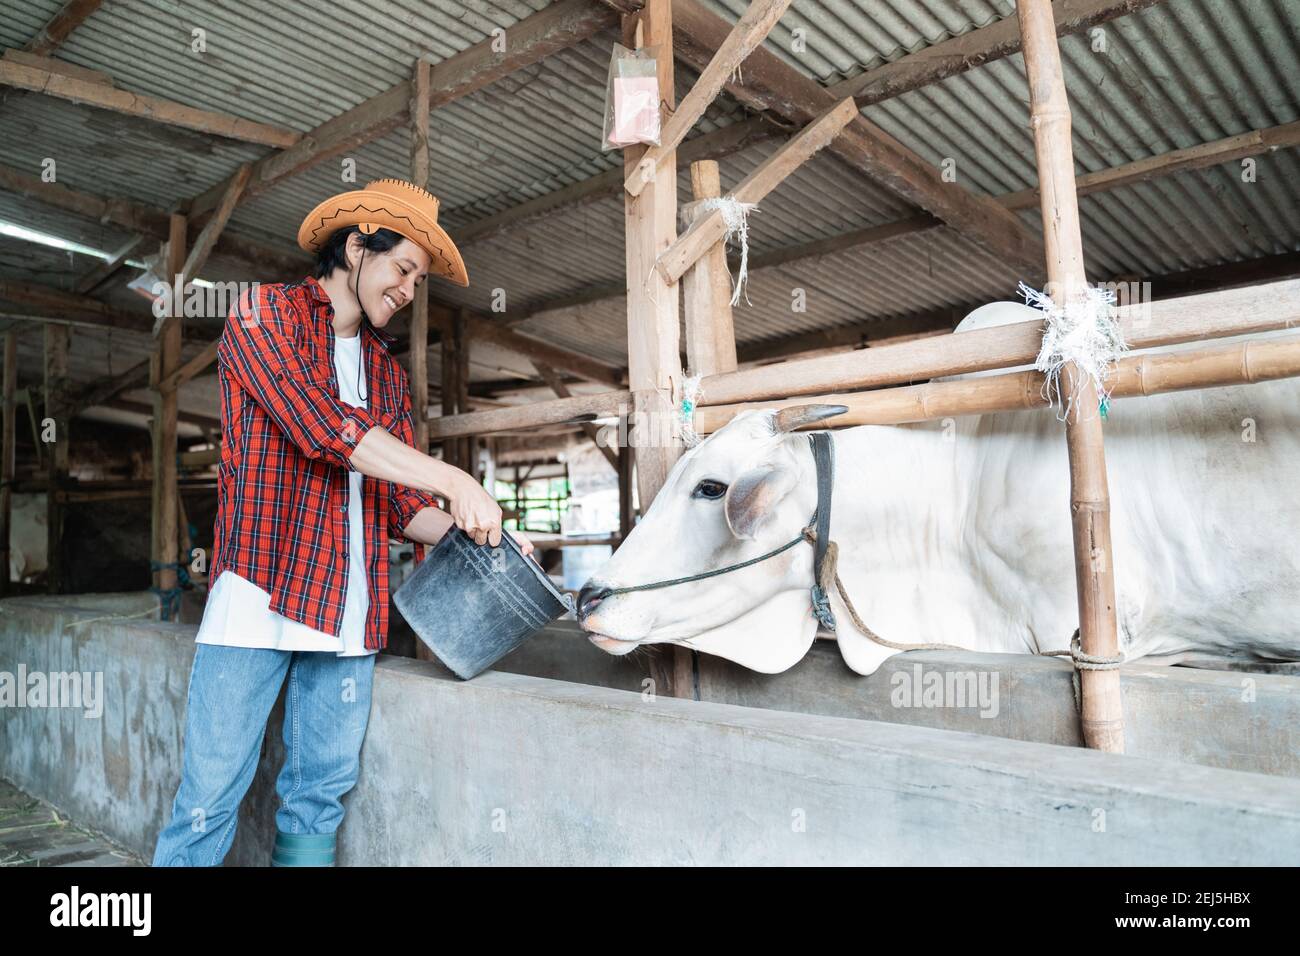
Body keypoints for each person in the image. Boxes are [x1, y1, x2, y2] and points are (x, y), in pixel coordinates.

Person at [151, 178, 529, 866]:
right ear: (357, 247)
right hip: (256, 599)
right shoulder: (263, 314)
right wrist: (452, 477)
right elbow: (318, 425)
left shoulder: (387, 378)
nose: (410, 291)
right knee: (209, 797)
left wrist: (488, 538)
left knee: (317, 799)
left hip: (348, 617)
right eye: (403, 269)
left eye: (418, 279)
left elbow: (399, 505)